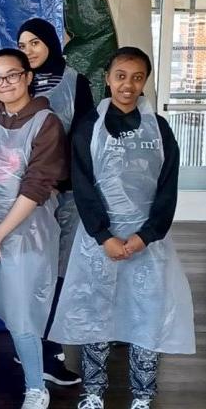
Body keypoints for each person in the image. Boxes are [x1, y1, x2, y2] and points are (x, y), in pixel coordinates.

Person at [49, 47, 195, 409]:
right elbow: (82, 185)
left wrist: (147, 234)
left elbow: (167, 186)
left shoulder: (159, 128)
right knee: (95, 311)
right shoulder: (88, 127)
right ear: (107, 78)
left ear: (145, 80)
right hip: (100, 242)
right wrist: (104, 235)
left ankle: (143, 395)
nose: (127, 85)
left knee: (148, 313)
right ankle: (94, 391)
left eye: (137, 77)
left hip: (148, 242)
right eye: (120, 76)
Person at [0, 49, 67, 409]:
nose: (4, 84)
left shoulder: (46, 123)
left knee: (22, 312)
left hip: (25, 235)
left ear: (28, 77)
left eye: (12, 75)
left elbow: (37, 185)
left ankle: (36, 386)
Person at [17, 17, 95, 386]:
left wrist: (73, 184)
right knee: (30, 271)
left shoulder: (75, 82)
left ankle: (52, 348)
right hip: (26, 194)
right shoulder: (17, 82)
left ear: (50, 42)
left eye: (35, 42)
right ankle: (29, 347)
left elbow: (85, 137)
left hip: (64, 193)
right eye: (22, 45)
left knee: (60, 272)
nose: (29, 50)